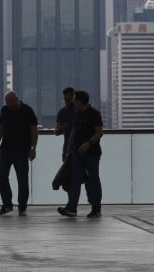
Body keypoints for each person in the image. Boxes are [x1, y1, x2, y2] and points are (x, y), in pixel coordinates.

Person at [58, 89, 103, 218]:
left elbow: (99, 132)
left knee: (93, 179)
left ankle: (96, 208)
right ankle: (72, 208)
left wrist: (88, 143)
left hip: (92, 153)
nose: (73, 101)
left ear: (80, 101)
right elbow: (74, 131)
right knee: (75, 179)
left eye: (75, 99)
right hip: (76, 153)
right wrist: (68, 149)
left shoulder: (94, 114)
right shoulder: (77, 113)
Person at [0, 90, 38, 216]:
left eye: (11, 102)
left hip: (22, 151)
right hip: (5, 149)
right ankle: (7, 204)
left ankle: (22, 206)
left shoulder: (27, 110)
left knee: (22, 180)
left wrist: (33, 148)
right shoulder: (5, 110)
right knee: (1, 176)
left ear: (17, 99)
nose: (9, 105)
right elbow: (1, 127)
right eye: (7, 103)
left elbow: (34, 130)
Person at [54, 87, 75, 156]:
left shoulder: (80, 111)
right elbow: (56, 132)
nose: (66, 101)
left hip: (79, 147)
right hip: (67, 147)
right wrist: (62, 127)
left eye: (68, 99)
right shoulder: (62, 112)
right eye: (65, 99)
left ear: (73, 97)